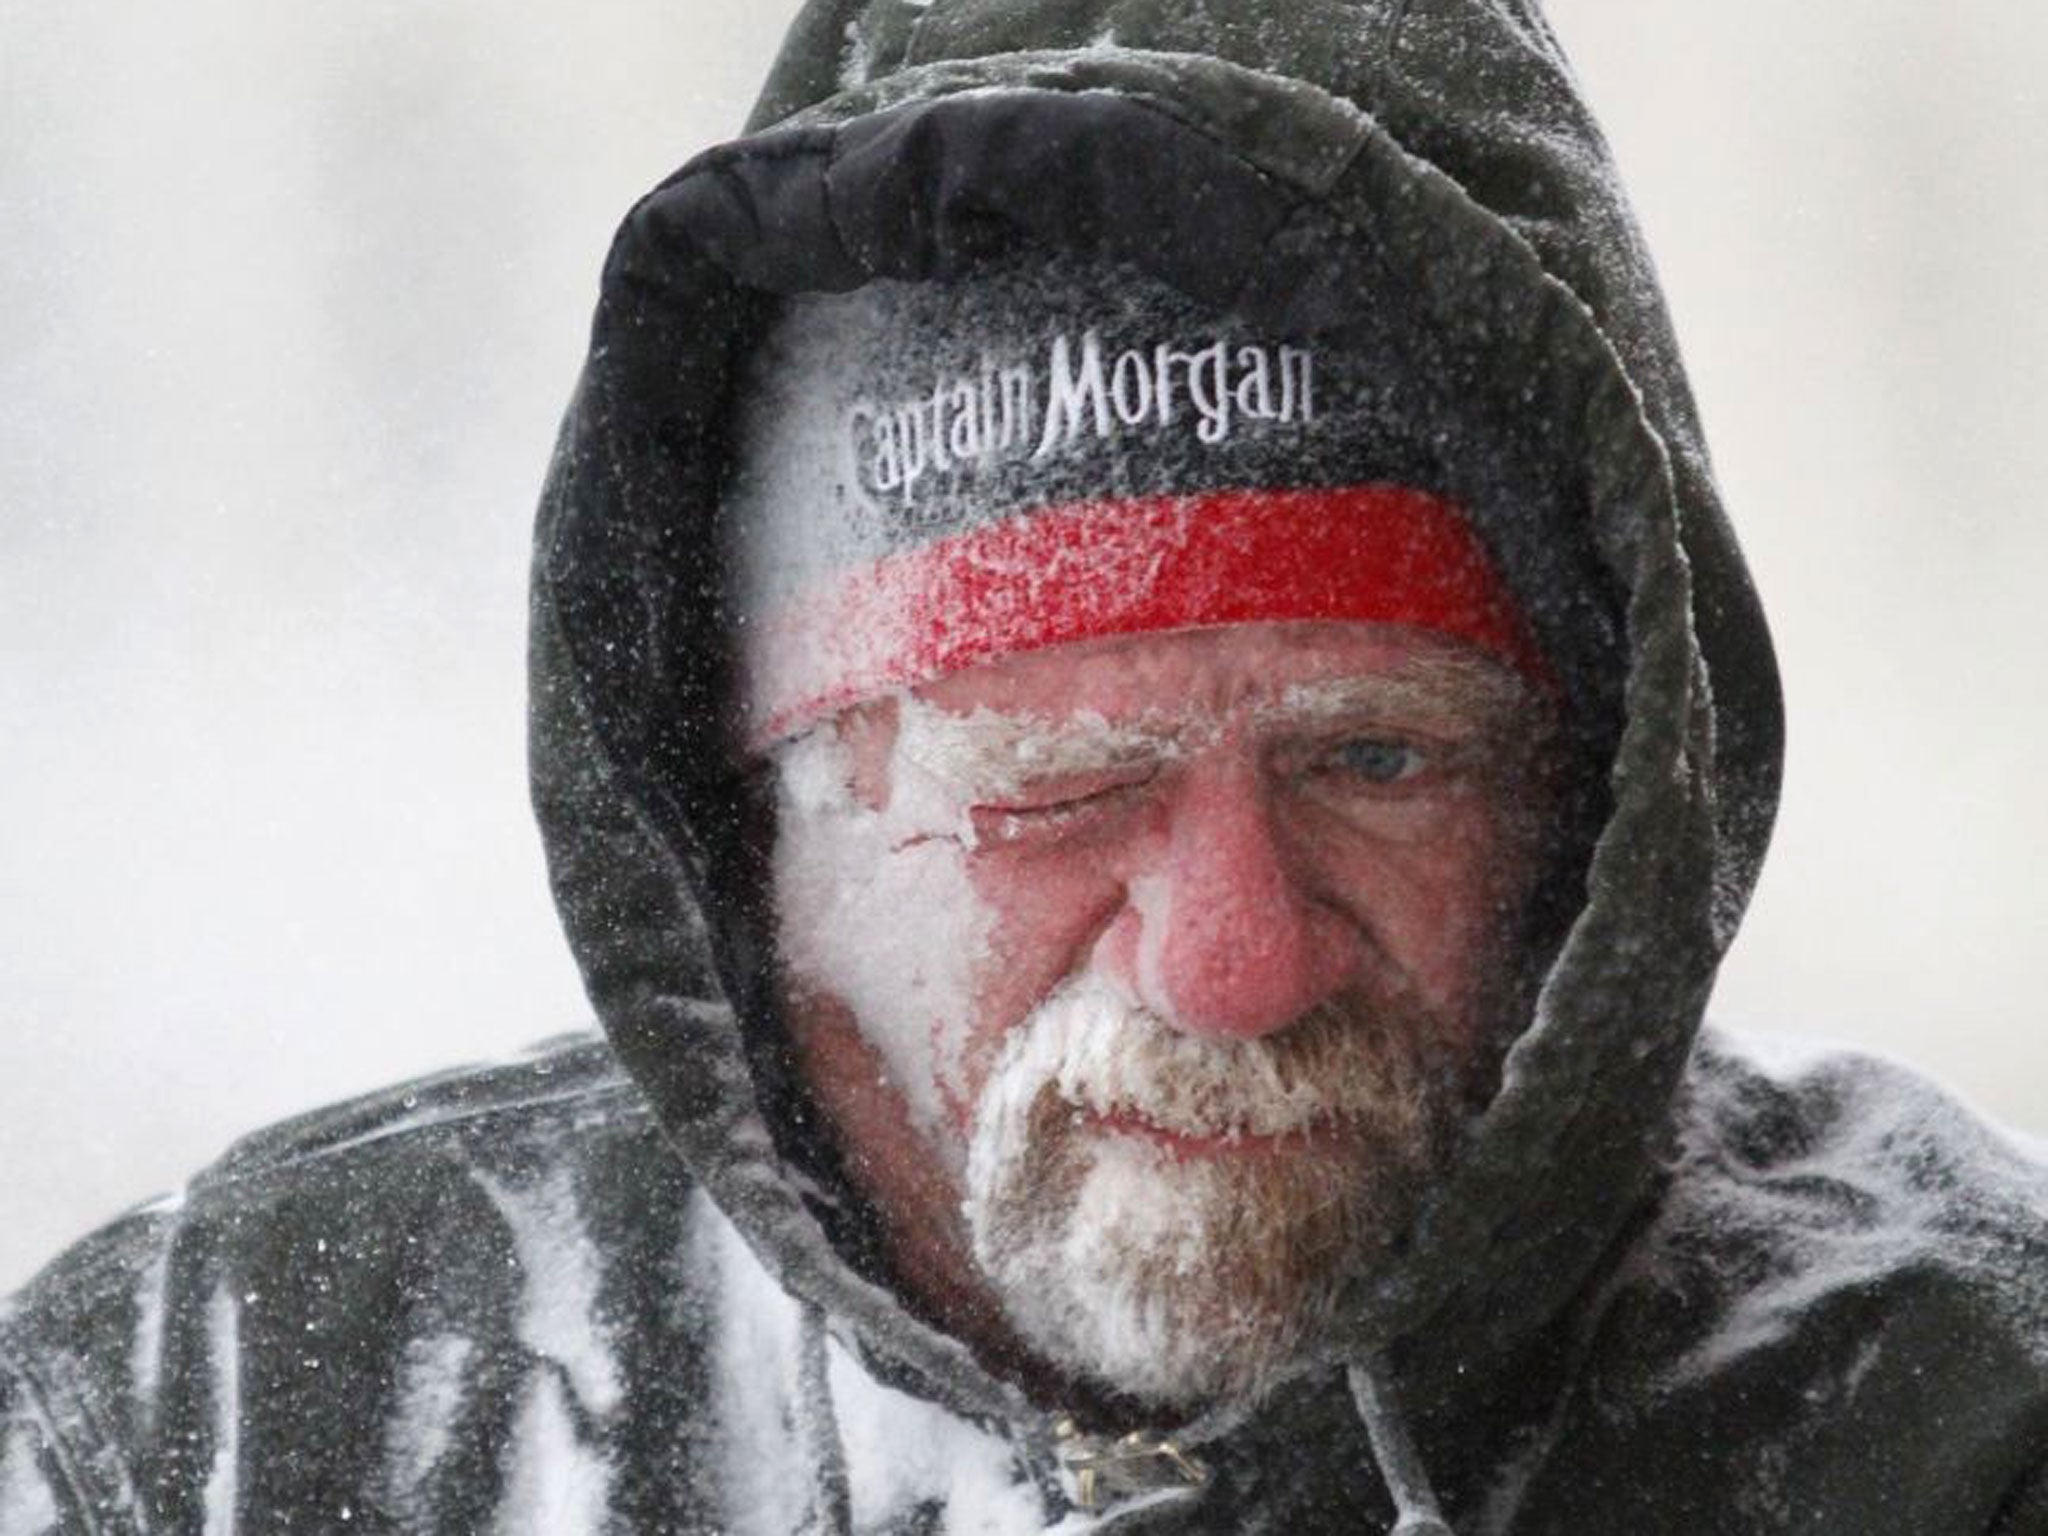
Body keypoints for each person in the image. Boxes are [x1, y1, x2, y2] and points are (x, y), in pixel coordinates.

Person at [2, 0, 2043, 1531]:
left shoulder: (1959, 1418)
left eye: (1381, 758)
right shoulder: (224, 1423)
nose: (1230, 963)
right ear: (768, 821)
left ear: (1600, 804)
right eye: (1049, 789)